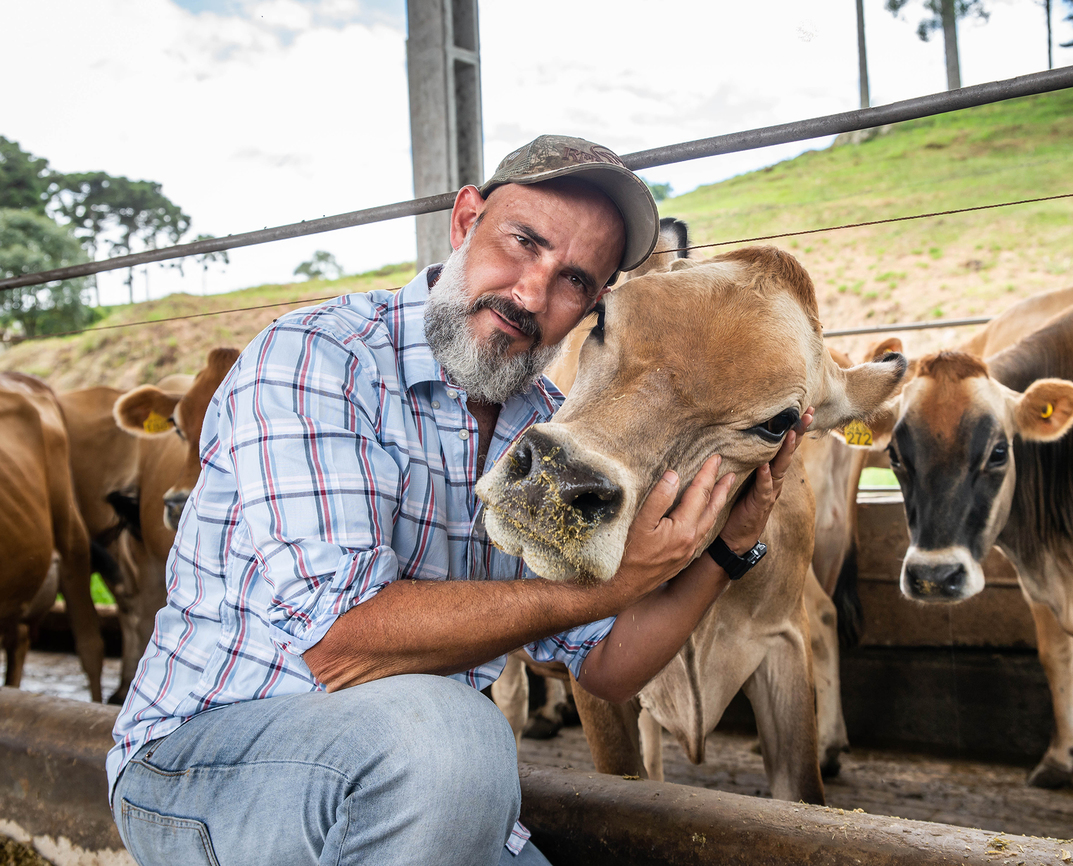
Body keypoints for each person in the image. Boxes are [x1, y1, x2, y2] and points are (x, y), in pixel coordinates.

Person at [107, 135, 806, 866]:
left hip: (410, 782)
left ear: (593, 306)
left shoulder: (542, 425)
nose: (531, 295)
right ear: (465, 220)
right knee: (457, 733)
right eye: (523, 242)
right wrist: (617, 584)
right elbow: (341, 645)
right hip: (203, 768)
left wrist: (725, 551)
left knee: (447, 744)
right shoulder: (318, 358)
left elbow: (604, 668)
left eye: (573, 280)